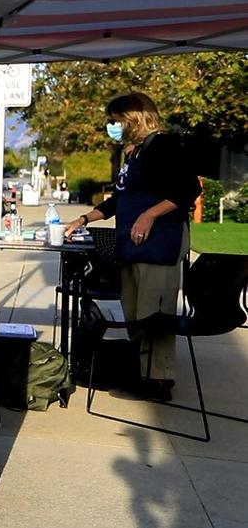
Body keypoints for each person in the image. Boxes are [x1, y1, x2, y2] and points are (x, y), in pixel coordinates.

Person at [64, 92, 200, 402]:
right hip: (133, 245)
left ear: (133, 118)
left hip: (159, 244)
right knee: (136, 313)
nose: (111, 126)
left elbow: (188, 188)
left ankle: (159, 380)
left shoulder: (163, 145)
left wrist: (149, 215)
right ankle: (142, 372)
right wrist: (84, 219)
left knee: (155, 313)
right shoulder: (135, 152)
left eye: (115, 120)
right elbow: (119, 200)